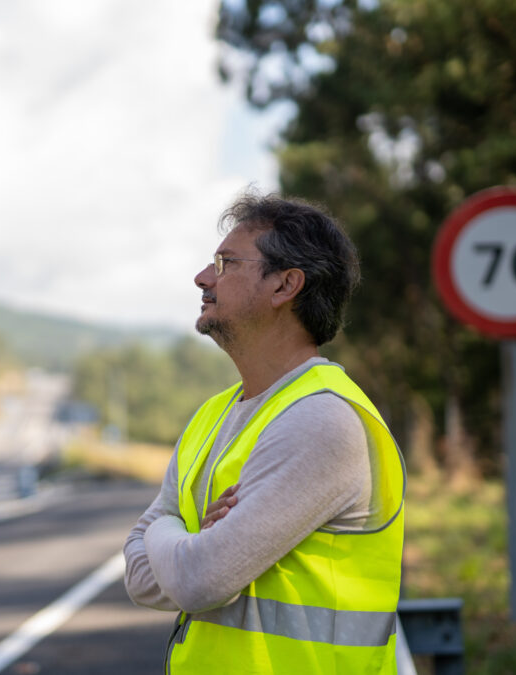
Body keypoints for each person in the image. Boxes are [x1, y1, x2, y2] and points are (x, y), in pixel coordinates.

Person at [123, 191, 405, 674]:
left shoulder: (322, 419)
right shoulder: (213, 413)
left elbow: (196, 581)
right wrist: (189, 541)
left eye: (226, 263)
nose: (203, 277)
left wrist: (171, 531)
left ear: (285, 285)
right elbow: (139, 576)